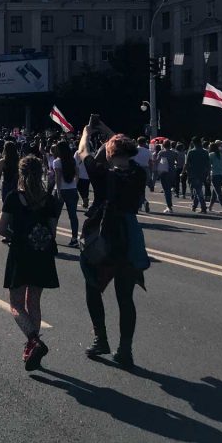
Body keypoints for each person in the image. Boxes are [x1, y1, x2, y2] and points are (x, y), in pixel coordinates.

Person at [78, 122, 151, 369]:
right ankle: (125, 350)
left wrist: (88, 133)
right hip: (129, 237)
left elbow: (82, 153)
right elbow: (122, 146)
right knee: (125, 298)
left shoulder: (103, 174)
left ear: (109, 154)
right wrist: (108, 131)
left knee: (92, 287)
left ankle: (101, 339)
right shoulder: (139, 173)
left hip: (105, 235)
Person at [0, 155, 61, 370]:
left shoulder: (14, 198)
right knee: (33, 301)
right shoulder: (50, 200)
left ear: (21, 174)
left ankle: (34, 341)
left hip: (20, 254)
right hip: (42, 255)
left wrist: (14, 235)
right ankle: (31, 347)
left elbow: (1, 229)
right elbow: (52, 232)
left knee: (15, 303)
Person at [53, 140, 80, 247]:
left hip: (61, 190)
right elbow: (77, 174)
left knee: (55, 215)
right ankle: (74, 239)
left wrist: (58, 191)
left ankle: (52, 237)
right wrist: (75, 185)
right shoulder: (73, 160)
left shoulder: (57, 162)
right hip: (72, 189)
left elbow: (58, 178)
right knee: (73, 216)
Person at [183, 138, 211, 214]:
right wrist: (209, 175)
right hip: (203, 173)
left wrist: (183, 172)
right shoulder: (205, 152)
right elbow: (208, 164)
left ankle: (203, 207)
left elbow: (187, 163)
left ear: (193, 143)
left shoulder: (191, 152)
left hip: (193, 173)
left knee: (198, 190)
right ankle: (194, 206)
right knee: (198, 189)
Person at [153, 142, 179, 214]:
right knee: (169, 188)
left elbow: (157, 161)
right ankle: (169, 205)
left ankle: (169, 206)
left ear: (163, 145)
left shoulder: (161, 152)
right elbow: (178, 162)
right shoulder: (174, 153)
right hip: (172, 172)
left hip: (164, 172)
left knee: (166, 190)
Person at [207, 142, 222, 215]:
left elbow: (209, 166)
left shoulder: (211, 155)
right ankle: (210, 207)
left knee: (218, 192)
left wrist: (208, 176)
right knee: (215, 191)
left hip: (215, 174)